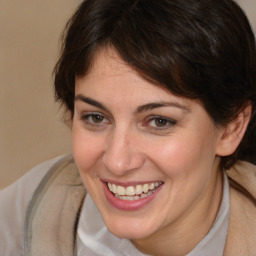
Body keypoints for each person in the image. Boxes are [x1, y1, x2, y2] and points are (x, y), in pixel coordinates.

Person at [1, 0, 256, 255]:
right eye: (96, 118)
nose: (117, 162)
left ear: (231, 128)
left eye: (159, 121)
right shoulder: (26, 214)